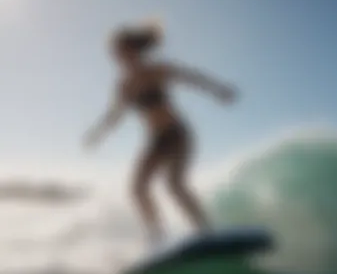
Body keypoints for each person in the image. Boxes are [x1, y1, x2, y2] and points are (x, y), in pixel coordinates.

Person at [82, 22, 237, 244]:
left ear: (132, 50)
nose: (117, 57)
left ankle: (206, 233)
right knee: (137, 189)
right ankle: (158, 237)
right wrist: (97, 134)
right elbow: (115, 114)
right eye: (115, 53)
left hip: (177, 134)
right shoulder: (124, 86)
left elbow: (191, 77)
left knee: (174, 185)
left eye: (120, 51)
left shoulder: (156, 70)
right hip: (155, 140)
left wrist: (219, 90)